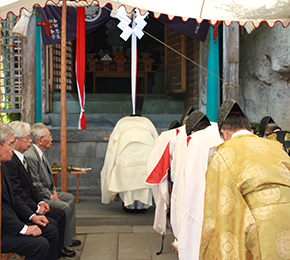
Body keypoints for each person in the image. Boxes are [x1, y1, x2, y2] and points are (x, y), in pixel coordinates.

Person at [200, 99, 290, 259]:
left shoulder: (222, 155)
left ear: (225, 134)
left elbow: (219, 208)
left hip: (259, 231)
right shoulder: (277, 148)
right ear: (251, 131)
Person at [2, 121, 75, 258]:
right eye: (10, 144)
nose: (13, 148)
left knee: (52, 224)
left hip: (18, 214)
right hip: (8, 226)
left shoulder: (12, 161)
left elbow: (30, 187)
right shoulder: (9, 163)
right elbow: (13, 199)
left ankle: (60, 249)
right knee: (42, 241)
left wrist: (38, 207)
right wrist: (26, 224)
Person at [24, 123, 81, 248]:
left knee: (69, 198)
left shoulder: (40, 152)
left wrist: (54, 191)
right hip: (40, 196)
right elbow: (35, 183)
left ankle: (69, 237)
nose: (51, 139)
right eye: (49, 136)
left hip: (48, 192)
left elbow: (48, 178)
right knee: (64, 207)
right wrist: (50, 195)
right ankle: (62, 245)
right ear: (40, 140)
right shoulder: (31, 156)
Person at [178, 111, 223, 260]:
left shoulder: (196, 140)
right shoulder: (220, 130)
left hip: (206, 199)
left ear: (191, 132)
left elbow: (191, 183)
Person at [101, 115, 159, 212]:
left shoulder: (122, 122)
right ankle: (142, 205)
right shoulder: (147, 122)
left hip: (126, 154)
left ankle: (129, 205)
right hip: (146, 154)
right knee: (143, 180)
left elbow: (113, 144)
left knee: (127, 178)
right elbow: (156, 140)